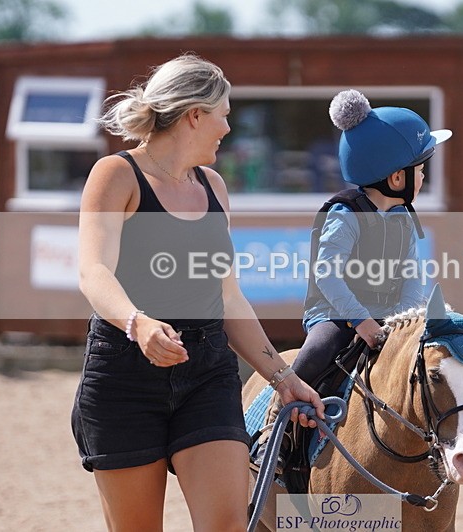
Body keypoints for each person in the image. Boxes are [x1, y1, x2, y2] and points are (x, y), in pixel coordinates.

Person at [70, 54, 324, 531]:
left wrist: (282, 376)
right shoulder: (116, 174)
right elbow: (93, 270)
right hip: (124, 376)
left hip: (207, 373)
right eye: (224, 115)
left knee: (227, 525)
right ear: (194, 115)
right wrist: (138, 323)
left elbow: (228, 296)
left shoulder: (214, 187)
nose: (227, 129)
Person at [253, 89, 452, 468]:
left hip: (388, 318)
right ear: (397, 177)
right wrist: (361, 321)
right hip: (334, 315)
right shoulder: (345, 215)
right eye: (421, 169)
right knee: (316, 353)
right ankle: (270, 436)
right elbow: (327, 275)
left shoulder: (404, 218)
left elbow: (411, 275)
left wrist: (408, 321)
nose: (424, 176)